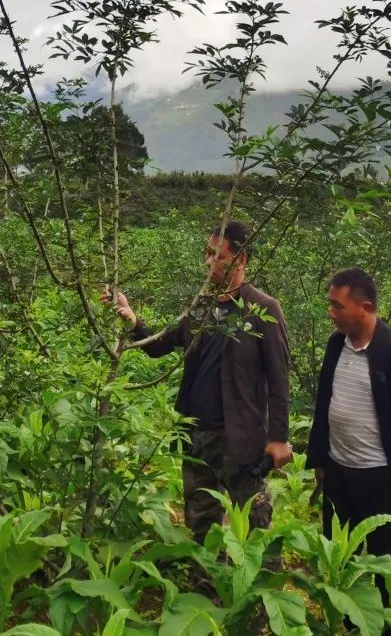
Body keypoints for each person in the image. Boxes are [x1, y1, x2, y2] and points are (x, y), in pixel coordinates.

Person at [106, 220, 292, 541]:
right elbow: (160, 345)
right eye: (207, 254)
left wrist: (278, 437)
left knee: (254, 522)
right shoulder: (200, 308)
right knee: (201, 520)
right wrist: (134, 319)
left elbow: (278, 381)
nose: (208, 262)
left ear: (241, 260)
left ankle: (261, 587)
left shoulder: (263, 309)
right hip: (197, 435)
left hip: (242, 437)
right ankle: (207, 587)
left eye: (218, 256)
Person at [305, 267, 391, 567]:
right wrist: (321, 459)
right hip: (338, 473)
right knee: (337, 557)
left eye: (337, 306)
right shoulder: (336, 344)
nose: (330, 313)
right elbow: (324, 403)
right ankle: (345, 615)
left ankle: (383, 614)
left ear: (364, 308)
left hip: (379, 478)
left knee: (384, 564)